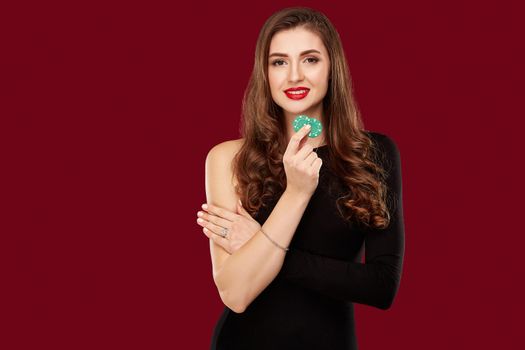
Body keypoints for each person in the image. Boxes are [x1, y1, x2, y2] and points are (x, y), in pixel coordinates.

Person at [196, 6, 405, 350]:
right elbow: (236, 293)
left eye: (310, 59)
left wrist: (265, 247)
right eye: (279, 62)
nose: (294, 76)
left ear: (331, 69)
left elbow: (381, 287)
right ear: (265, 73)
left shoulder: (374, 152)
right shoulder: (228, 158)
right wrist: (296, 193)